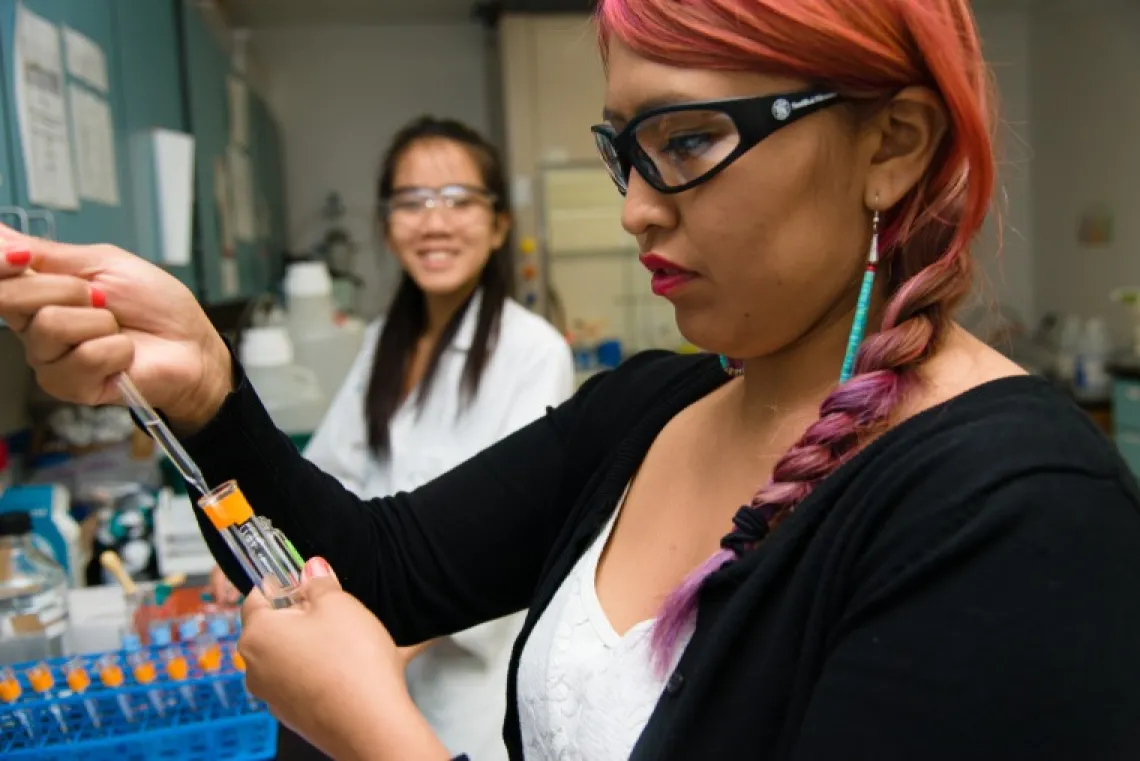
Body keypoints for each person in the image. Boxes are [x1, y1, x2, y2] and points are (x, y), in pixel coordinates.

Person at [4, 0, 1140, 759]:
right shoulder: (650, 409)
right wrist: (203, 391)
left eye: (688, 143)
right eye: (624, 150)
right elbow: (380, 568)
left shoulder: (1022, 518)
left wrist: (379, 738)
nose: (637, 204)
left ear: (891, 142)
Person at [209, 115, 574, 760]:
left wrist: (369, 648)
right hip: (363, 666)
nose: (434, 222)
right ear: (386, 223)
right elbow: (331, 474)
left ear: (498, 225)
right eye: (411, 202)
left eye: (459, 200)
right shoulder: (383, 342)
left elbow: (514, 540)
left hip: (466, 694)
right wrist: (249, 545)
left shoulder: (532, 351)